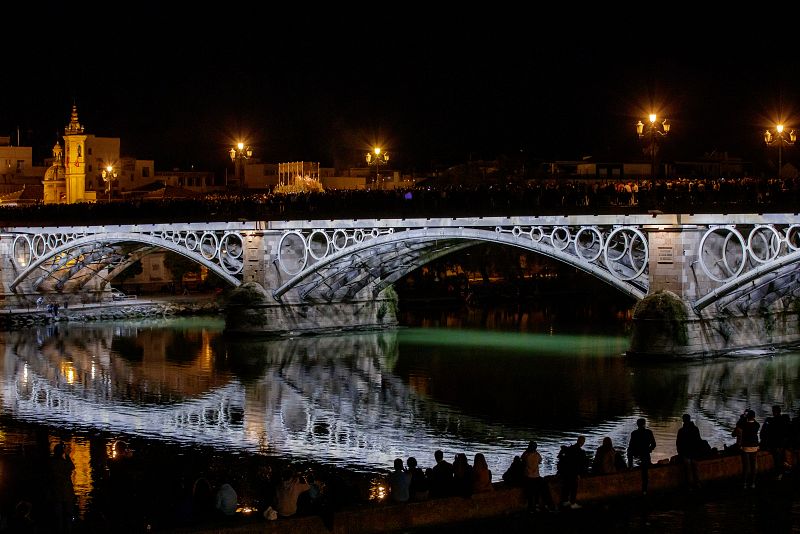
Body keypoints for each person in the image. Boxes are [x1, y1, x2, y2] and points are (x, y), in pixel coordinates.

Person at [49, 442, 75, 533]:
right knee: (68, 513)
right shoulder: (65, 463)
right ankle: (68, 529)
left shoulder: (51, 462)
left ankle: (59, 529)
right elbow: (72, 467)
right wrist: (67, 456)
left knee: (58, 514)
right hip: (66, 490)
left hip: (56, 491)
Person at [760, 405, 791, 480]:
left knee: (777, 458)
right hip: (783, 442)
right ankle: (785, 467)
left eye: (773, 411)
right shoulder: (785, 419)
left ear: (775, 412)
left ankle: (779, 473)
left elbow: (766, 433)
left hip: (775, 443)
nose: (772, 412)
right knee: (781, 454)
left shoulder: (772, 421)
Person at [627, 418, 656, 495]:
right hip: (645, 453)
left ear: (637, 425)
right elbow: (654, 444)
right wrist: (649, 450)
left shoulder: (634, 433)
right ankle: (644, 490)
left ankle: (630, 466)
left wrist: (634, 453)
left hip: (638, 452)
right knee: (645, 471)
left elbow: (631, 446)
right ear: (644, 424)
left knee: (629, 451)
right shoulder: (649, 432)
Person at [558, 436, 587, 509]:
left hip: (567, 472)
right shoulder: (581, 452)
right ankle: (573, 502)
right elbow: (580, 464)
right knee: (574, 488)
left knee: (566, 486)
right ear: (583, 442)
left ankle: (565, 501)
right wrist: (579, 474)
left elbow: (562, 458)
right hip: (574, 472)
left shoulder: (570, 449)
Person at [676, 413, 703, 489]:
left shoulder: (681, 431)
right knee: (695, 468)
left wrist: (680, 453)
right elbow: (698, 441)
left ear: (683, 420)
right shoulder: (695, 429)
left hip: (686, 453)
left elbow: (678, 443)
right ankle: (697, 483)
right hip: (694, 453)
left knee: (687, 470)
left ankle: (689, 486)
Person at [521, 441, 546, 512]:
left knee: (530, 492)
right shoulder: (537, 455)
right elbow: (540, 461)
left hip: (528, 477)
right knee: (536, 491)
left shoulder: (526, 455)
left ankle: (530, 507)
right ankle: (537, 505)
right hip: (536, 477)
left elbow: (522, 458)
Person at [740, 409, 760, 489]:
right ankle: (752, 483)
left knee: (746, 466)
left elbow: (740, 423)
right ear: (754, 417)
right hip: (754, 447)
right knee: (753, 466)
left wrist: (744, 416)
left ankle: (744, 483)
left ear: (747, 417)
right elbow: (754, 421)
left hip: (746, 447)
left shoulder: (744, 424)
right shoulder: (757, 425)